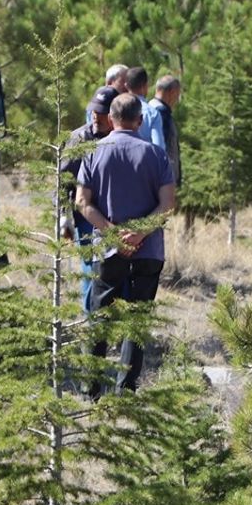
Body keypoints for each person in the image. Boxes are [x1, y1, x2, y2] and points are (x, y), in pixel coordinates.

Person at [76, 93, 176, 395]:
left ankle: (91, 390)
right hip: (148, 252)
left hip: (108, 251)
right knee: (138, 319)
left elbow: (82, 202)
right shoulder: (157, 155)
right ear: (140, 120)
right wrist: (140, 234)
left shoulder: (94, 152)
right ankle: (126, 390)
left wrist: (112, 234)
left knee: (100, 317)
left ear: (110, 119)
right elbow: (168, 204)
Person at [61, 85, 119, 313]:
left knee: (113, 269)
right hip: (86, 215)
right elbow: (62, 181)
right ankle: (90, 321)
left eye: (102, 112)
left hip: (116, 216)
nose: (96, 116)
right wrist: (63, 219)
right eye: (94, 110)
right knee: (91, 268)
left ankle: (109, 319)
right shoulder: (79, 139)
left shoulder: (120, 138)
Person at [148, 75, 182, 188]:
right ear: (172, 92)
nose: (177, 100)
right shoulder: (161, 114)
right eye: (178, 95)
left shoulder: (148, 109)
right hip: (163, 180)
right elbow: (163, 147)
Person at [125, 66, 164, 153]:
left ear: (126, 86)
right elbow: (159, 147)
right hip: (145, 162)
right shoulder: (152, 113)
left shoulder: (116, 109)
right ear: (145, 86)